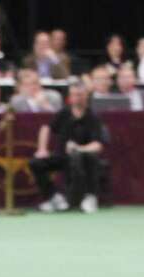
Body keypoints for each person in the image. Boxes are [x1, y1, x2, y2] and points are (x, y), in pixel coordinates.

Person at [30, 82, 106, 214]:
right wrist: (42, 149)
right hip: (61, 156)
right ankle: (54, 198)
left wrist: (79, 148)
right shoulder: (64, 113)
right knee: (36, 163)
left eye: (80, 95)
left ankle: (90, 197)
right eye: (73, 95)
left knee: (90, 158)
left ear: (86, 96)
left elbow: (97, 145)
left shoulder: (93, 117)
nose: (76, 98)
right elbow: (46, 128)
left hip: (83, 157)